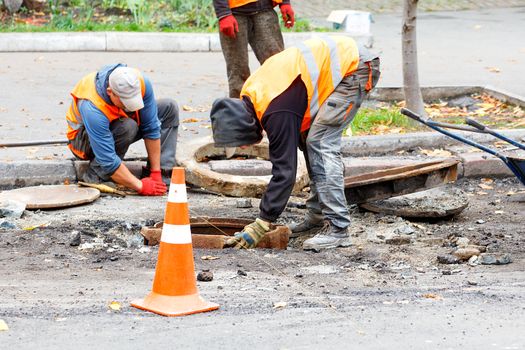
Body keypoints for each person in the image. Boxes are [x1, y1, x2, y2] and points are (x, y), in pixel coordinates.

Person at [210, 36, 380, 250]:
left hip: (354, 68)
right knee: (308, 139)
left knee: (320, 142)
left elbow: (285, 172)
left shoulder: (276, 109)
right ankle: (318, 216)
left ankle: (338, 229)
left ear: (242, 127)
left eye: (240, 142)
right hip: (344, 61)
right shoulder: (253, 95)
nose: (243, 147)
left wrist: (263, 221)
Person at [66, 63, 179, 196]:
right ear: (110, 92)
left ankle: (162, 178)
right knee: (128, 125)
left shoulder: (140, 82)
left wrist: (156, 173)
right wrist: (141, 186)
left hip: (117, 125)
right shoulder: (92, 106)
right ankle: (95, 175)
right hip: (83, 141)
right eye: (126, 101)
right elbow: (107, 160)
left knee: (168, 107)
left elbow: (151, 127)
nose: (131, 106)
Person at [213, 0, 295, 98]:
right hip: (234, 13)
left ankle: (279, 108)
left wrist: (285, 3)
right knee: (238, 72)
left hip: (265, 9)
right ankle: (239, 109)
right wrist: (224, 13)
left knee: (276, 66)